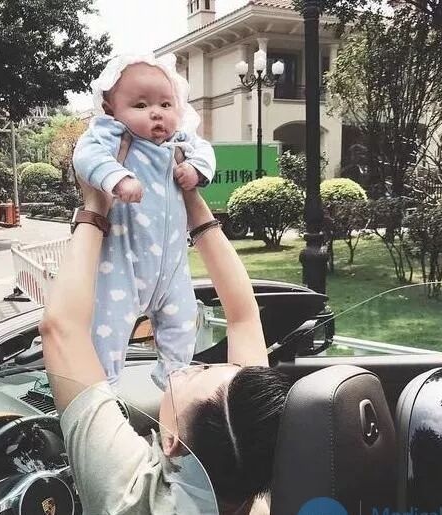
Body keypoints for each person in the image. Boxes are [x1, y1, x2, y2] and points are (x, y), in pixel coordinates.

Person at [39, 179, 294, 513]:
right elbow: (243, 317)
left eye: (190, 375)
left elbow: (61, 328)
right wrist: (191, 199)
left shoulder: (127, 496)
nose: (187, 369)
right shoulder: (253, 487)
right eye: (208, 366)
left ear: (172, 441)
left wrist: (95, 207)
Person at [72, 53, 216, 389]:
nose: (156, 113)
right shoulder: (115, 136)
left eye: (166, 104)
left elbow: (207, 152)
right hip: (122, 265)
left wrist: (196, 170)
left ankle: (173, 380)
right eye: (140, 105)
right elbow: (86, 155)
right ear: (110, 109)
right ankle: (105, 386)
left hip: (172, 267)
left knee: (184, 320)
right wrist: (118, 178)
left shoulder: (181, 141)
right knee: (108, 327)